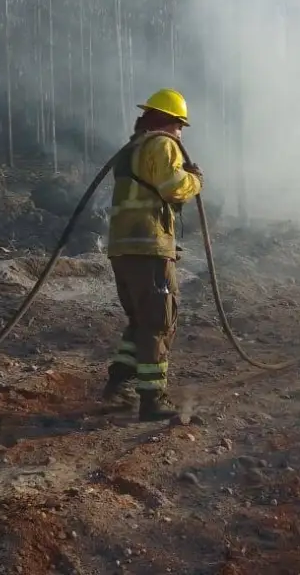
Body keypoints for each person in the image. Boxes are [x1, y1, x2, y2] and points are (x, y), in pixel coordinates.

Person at [101, 88, 203, 421]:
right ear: (170, 121)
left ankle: (118, 379)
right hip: (148, 246)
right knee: (159, 321)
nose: (181, 132)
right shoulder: (162, 144)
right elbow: (173, 186)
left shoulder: (132, 148)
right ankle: (152, 400)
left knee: (140, 319)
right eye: (180, 125)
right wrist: (195, 181)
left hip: (123, 247)